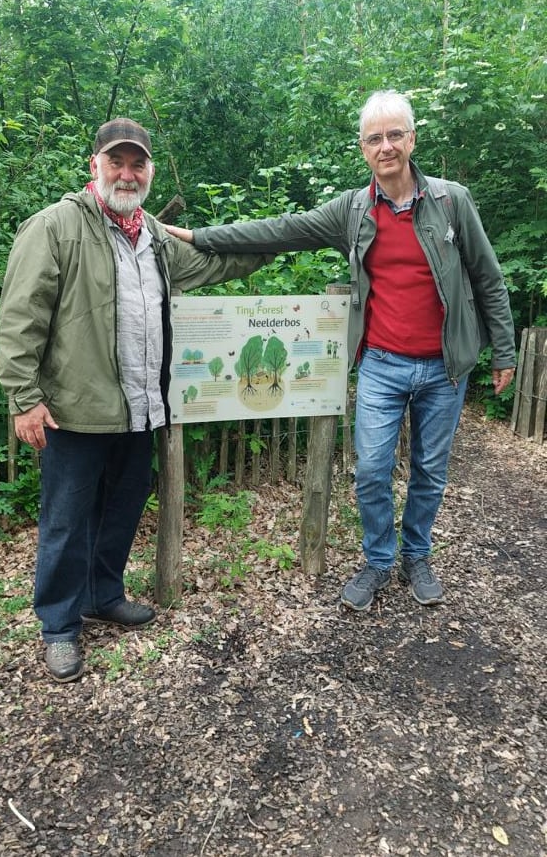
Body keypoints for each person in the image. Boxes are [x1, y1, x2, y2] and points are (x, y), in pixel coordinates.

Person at [165, 90, 516, 612]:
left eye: (394, 135)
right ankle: (378, 559)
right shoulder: (353, 210)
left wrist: (504, 351)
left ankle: (417, 556)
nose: (386, 146)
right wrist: (201, 236)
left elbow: (488, 278)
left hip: (445, 367)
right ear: (363, 148)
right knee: (371, 469)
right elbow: (282, 230)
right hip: (381, 364)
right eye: (375, 138)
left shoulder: (450, 201)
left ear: (412, 139)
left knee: (429, 470)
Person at [0, 118, 276, 682]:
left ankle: (103, 596)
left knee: (122, 510)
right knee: (66, 521)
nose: (127, 174)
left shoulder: (153, 236)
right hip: (75, 410)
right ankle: (59, 626)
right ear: (95, 166)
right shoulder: (55, 227)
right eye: (116, 162)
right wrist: (24, 397)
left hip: (139, 406)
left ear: (148, 171)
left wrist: (276, 241)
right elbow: (21, 316)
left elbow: (214, 262)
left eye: (137, 164)